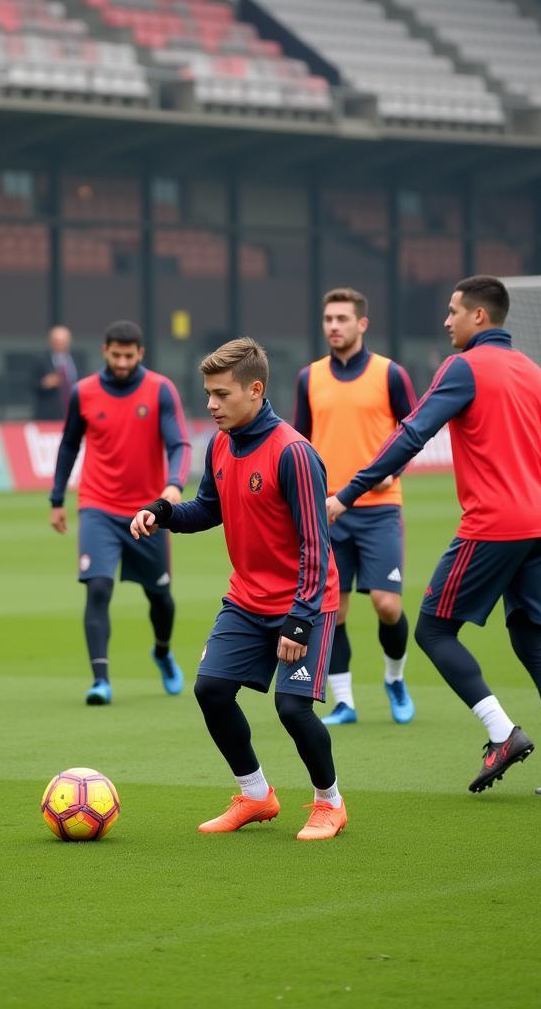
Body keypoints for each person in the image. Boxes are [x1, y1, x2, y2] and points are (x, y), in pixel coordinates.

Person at [327, 275, 541, 798]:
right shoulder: (536, 375)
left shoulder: (464, 366)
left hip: (495, 524)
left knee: (431, 630)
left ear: (479, 316)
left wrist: (348, 493)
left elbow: (412, 433)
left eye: (453, 311)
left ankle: (502, 734)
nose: (446, 320)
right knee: (532, 641)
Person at [131, 338, 348, 840]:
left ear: (255, 390)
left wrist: (300, 617)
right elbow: (208, 509)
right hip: (247, 600)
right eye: (207, 393)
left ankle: (329, 803)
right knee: (210, 689)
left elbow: (317, 544)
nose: (210, 404)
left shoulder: (294, 453)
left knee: (292, 709)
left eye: (221, 394)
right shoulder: (221, 443)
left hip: (305, 602)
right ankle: (256, 795)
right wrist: (162, 513)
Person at [50, 319, 191, 705]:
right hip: (97, 505)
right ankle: (101, 680)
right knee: (98, 587)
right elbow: (68, 447)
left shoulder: (160, 390)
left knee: (160, 597)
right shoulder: (84, 392)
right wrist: (57, 499)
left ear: (140, 353)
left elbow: (179, 443)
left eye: (130, 356)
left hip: (148, 511)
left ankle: (162, 651)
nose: (123, 362)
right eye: (117, 355)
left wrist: (174, 484)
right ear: (105, 352)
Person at [293, 287, 418, 726]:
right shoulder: (309, 377)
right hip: (327, 512)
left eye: (343, 319)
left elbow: (414, 433)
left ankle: (395, 678)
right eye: (328, 319)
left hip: (380, 508)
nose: (334, 326)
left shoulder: (391, 375)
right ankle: (344, 701)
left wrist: (395, 471)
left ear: (362, 324)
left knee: (387, 604)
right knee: (336, 609)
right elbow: (299, 442)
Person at [33, 324, 78, 421]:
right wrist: (44, 384)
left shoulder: (77, 359)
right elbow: (31, 384)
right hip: (49, 416)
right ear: (51, 342)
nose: (60, 344)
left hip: (74, 413)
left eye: (63, 341)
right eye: (57, 341)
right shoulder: (41, 360)